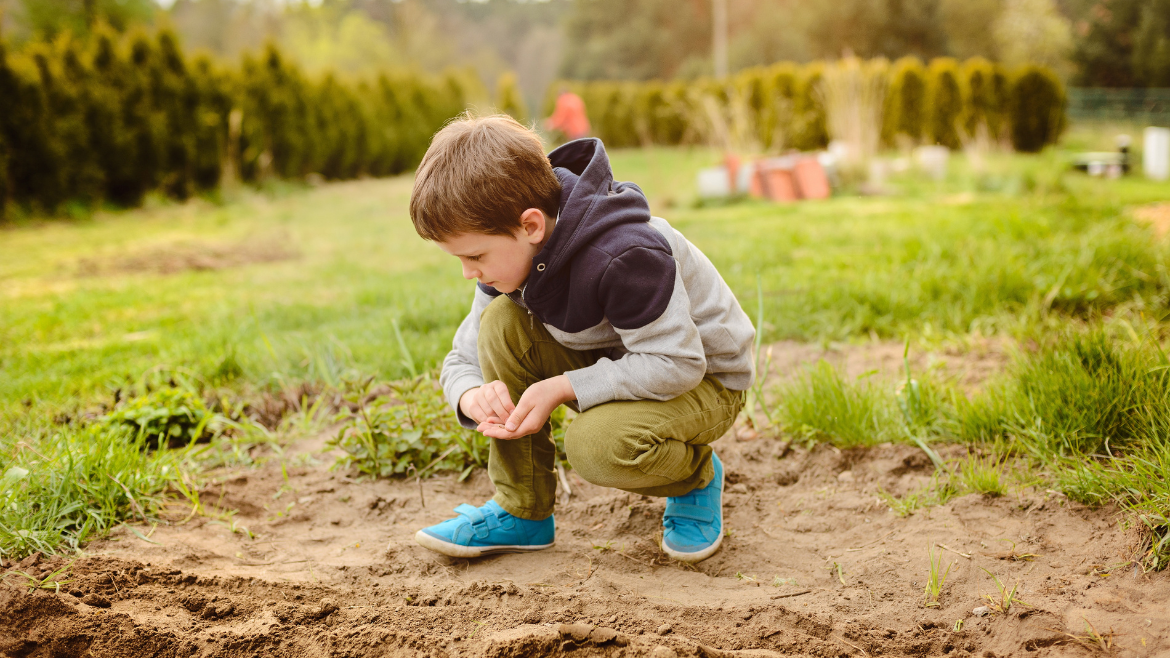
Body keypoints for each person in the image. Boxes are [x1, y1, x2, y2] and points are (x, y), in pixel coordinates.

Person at [407, 114, 754, 564]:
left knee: (596, 448)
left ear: (530, 226)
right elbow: (462, 357)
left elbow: (679, 363)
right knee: (499, 323)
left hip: (705, 381)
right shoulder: (510, 262)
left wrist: (566, 386)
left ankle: (696, 477)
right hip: (624, 364)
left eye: (475, 255)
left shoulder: (626, 256)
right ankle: (524, 511)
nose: (468, 272)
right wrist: (471, 394)